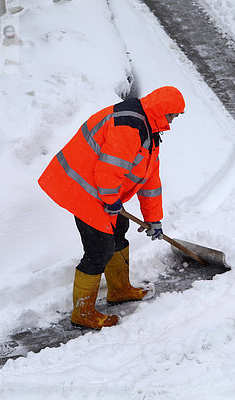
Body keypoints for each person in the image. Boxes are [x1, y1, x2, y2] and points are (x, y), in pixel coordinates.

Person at [38, 86, 185, 329]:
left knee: (119, 228)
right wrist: (111, 201)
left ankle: (119, 290)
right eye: (172, 115)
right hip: (81, 186)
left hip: (99, 189)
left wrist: (154, 218)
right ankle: (83, 313)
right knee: (100, 248)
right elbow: (109, 171)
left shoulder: (150, 129)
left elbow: (150, 179)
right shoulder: (130, 127)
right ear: (162, 111)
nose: (172, 121)